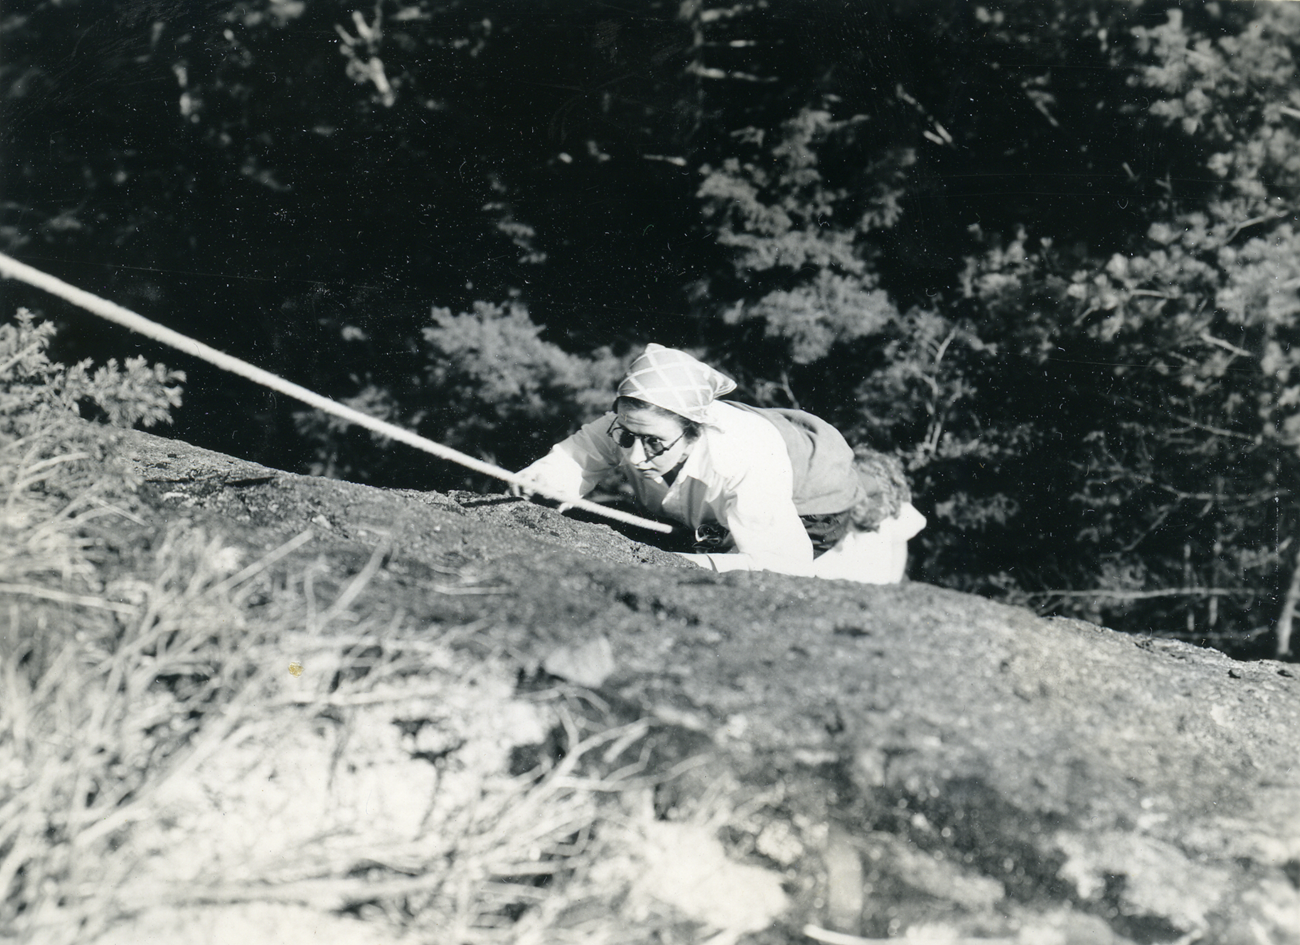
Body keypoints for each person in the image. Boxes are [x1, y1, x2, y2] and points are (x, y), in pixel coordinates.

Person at [511, 343, 925, 583]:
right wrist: (541, 481)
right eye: (626, 436)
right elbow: (577, 457)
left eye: (654, 443)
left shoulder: (740, 460)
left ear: (696, 431)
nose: (635, 457)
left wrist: (670, 564)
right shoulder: (631, 425)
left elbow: (781, 565)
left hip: (813, 501)